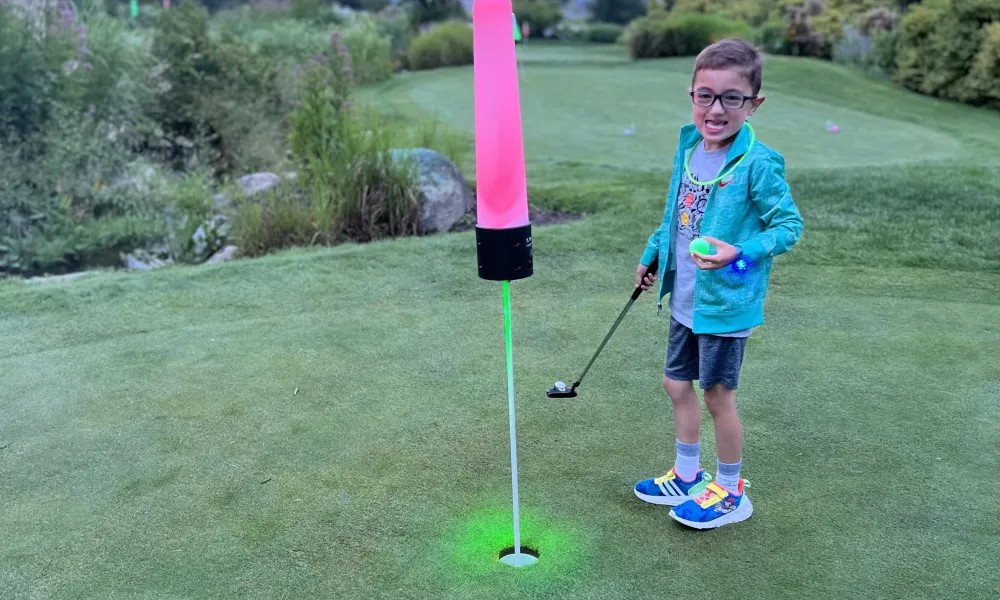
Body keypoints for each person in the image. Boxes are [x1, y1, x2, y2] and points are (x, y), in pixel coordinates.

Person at [631, 38, 804, 529]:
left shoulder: (757, 163)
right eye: (705, 95)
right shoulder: (689, 146)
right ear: (692, 95)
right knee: (675, 383)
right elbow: (676, 218)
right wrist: (652, 255)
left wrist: (739, 253)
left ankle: (730, 491)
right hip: (686, 298)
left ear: (754, 104)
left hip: (726, 301)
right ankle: (688, 475)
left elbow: (788, 227)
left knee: (716, 396)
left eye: (733, 98)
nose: (716, 108)